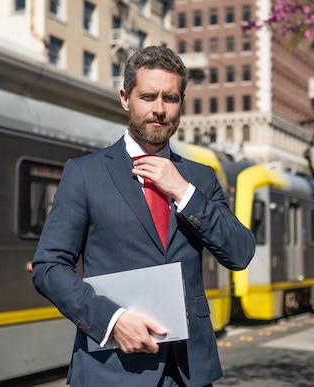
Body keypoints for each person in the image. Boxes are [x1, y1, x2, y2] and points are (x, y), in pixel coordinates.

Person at [31, 45, 255, 387]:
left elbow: (240, 254)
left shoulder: (200, 179)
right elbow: (49, 267)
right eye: (148, 96)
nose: (160, 110)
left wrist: (183, 192)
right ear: (125, 98)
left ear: (182, 102)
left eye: (171, 98)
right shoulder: (85, 174)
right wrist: (112, 320)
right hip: (111, 370)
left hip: (189, 372)